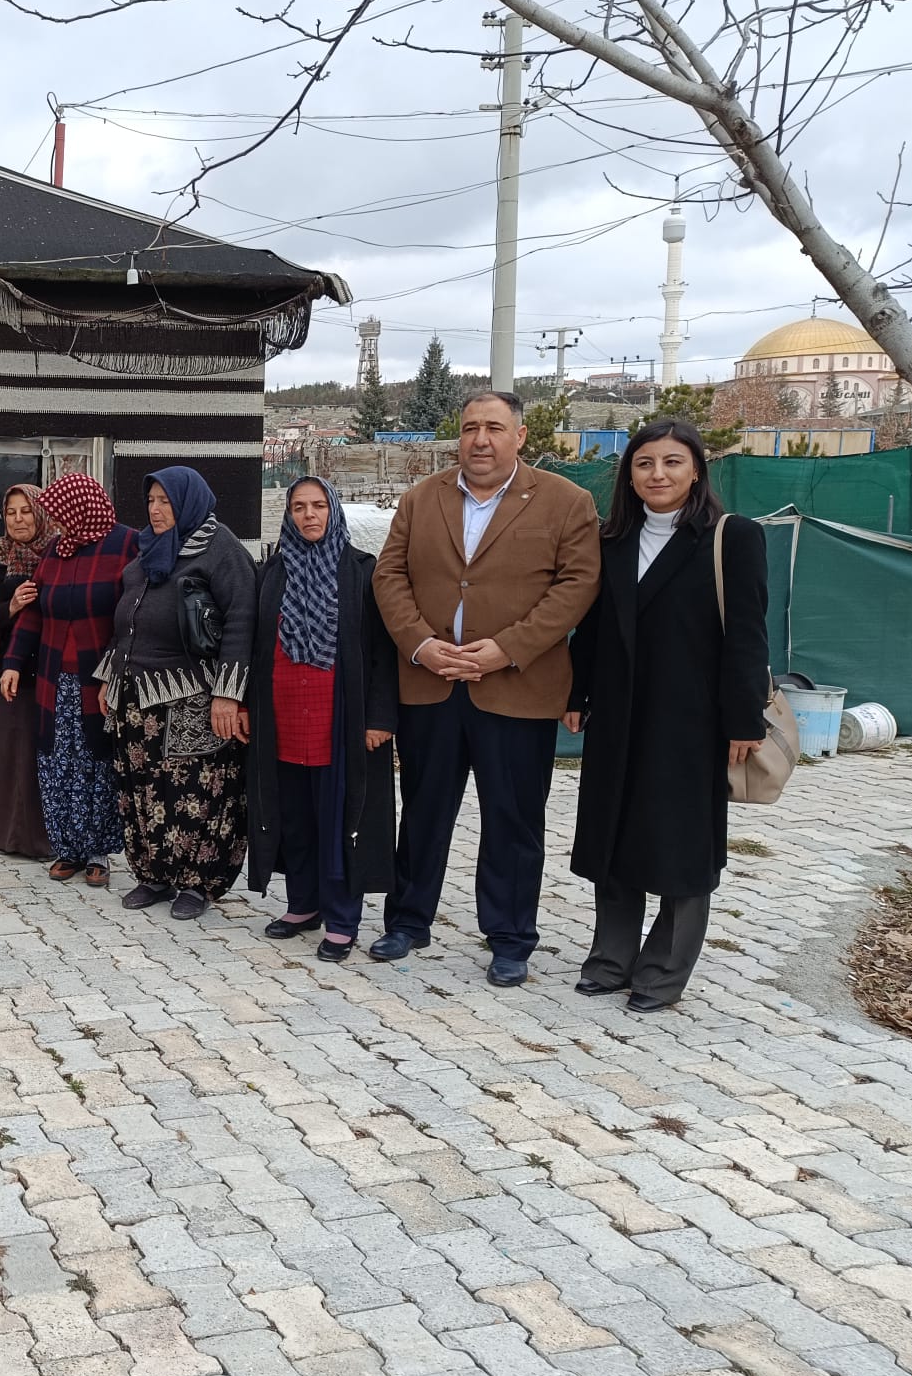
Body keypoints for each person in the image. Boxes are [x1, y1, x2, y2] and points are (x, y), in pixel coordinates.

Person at [370, 390, 602, 985]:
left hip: (516, 690)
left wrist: (508, 648)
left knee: (513, 819)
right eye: (470, 426)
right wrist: (421, 643)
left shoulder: (565, 502)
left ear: (519, 436)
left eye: (494, 428)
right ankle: (408, 920)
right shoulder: (423, 498)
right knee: (422, 812)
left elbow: (576, 586)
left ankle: (510, 936)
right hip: (432, 683)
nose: (480, 439)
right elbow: (389, 573)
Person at [564, 420, 770, 1012]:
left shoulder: (733, 537)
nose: (658, 475)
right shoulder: (612, 540)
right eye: (645, 464)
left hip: (692, 720)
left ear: (697, 470)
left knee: (682, 844)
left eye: (672, 463)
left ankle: (663, 971)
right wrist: (578, 693)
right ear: (629, 474)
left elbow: (747, 636)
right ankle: (610, 958)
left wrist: (742, 720)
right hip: (619, 715)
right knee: (614, 833)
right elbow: (594, 626)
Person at [246, 478, 399, 962]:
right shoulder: (273, 572)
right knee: (295, 815)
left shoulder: (360, 572)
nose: (309, 515)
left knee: (340, 818)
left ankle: (343, 917)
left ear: (334, 511)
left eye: (318, 506)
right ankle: (302, 904)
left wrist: (379, 717)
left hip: (341, 720)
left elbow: (381, 654)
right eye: (298, 507)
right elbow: (254, 648)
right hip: (284, 717)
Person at [100, 466, 256, 920]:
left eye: (165, 501)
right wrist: (111, 678)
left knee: (194, 793)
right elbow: (127, 620)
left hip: (191, 698)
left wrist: (228, 695)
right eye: (150, 500)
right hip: (136, 694)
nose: (155, 509)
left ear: (187, 502)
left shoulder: (219, 548)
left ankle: (197, 883)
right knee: (142, 789)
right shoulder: (149, 548)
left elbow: (243, 620)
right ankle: (154, 874)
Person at [0, 474, 135, 886]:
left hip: (102, 677)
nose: (59, 522)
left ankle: (98, 853)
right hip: (56, 679)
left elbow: (132, 615)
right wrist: (12, 662)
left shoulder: (127, 544)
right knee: (58, 761)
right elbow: (35, 612)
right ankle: (68, 848)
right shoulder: (57, 550)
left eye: (64, 513)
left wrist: (116, 670)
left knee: (98, 762)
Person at [0, 486, 55, 860]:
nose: (18, 519)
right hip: (10, 667)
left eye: (26, 511)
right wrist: (12, 606)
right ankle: (5, 835)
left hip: (53, 666)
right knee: (11, 748)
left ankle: (47, 838)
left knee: (45, 751)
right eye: (11, 512)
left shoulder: (59, 551)